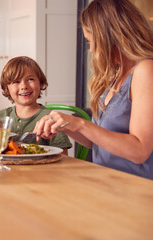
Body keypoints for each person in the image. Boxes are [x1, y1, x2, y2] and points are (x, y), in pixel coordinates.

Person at [34, 0, 153, 180]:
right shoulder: (117, 75)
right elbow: (97, 142)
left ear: (109, 36)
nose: (90, 49)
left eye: (91, 41)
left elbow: (140, 150)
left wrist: (80, 124)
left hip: (136, 191)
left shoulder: (145, 70)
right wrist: (65, 126)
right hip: (106, 182)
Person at [0, 56, 72, 154]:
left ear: (41, 83)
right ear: (7, 89)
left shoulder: (51, 119)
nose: (24, 86)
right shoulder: (0, 117)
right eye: (16, 82)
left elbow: (63, 157)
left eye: (30, 79)